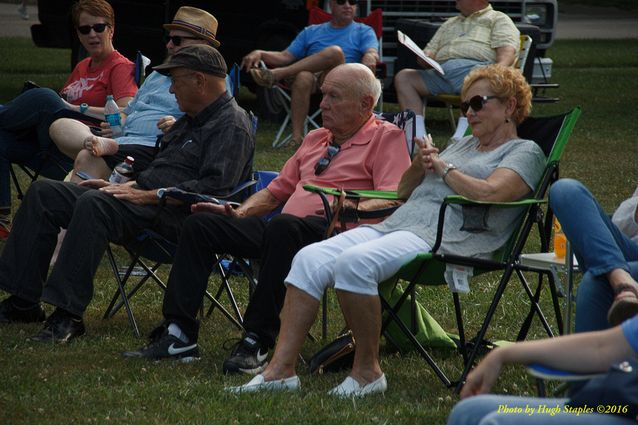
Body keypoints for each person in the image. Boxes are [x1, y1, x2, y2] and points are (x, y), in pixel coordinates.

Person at [227, 64, 546, 396]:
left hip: (448, 237)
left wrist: (444, 168)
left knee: (354, 263)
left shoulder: (525, 152)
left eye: (477, 103)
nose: (469, 112)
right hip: (401, 224)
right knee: (308, 258)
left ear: (510, 106)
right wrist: (420, 163)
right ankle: (280, 371)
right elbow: (402, 192)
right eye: (465, 105)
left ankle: (368, 373)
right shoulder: (463, 147)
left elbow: (491, 193)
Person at [122, 63, 411, 365]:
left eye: (333, 97)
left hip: (337, 234)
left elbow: (394, 196)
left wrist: (350, 206)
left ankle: (256, 339)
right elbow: (276, 192)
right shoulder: (316, 139)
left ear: (366, 103)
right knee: (200, 225)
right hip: (283, 233)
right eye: (322, 95)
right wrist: (239, 211)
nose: (322, 104)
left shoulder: (385, 138)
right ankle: (178, 334)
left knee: (284, 226)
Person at [0, 45, 255, 345]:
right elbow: (157, 163)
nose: (171, 90)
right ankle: (23, 301)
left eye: (176, 81)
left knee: (96, 204)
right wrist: (121, 172)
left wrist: (141, 195)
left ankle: (67, 314)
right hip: (142, 200)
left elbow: (212, 192)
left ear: (200, 81)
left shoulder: (231, 125)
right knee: (46, 192)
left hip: (180, 219)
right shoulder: (190, 119)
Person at [0, 0, 138, 239]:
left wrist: (76, 107)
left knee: (45, 98)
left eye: (99, 27)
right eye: (85, 29)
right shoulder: (82, 66)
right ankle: (2, 219)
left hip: (82, 149)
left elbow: (125, 113)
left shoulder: (121, 67)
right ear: (78, 34)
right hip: (50, 141)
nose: (92, 34)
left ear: (111, 29)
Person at [47, 6, 221, 183]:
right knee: (59, 126)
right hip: (121, 139)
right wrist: (118, 121)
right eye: (168, 39)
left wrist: (179, 127)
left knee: (87, 159)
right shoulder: (156, 76)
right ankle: (95, 144)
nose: (169, 45)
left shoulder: (212, 81)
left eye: (177, 40)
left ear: (203, 45)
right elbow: (128, 111)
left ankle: (80, 187)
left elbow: (215, 127)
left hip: (153, 147)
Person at [446, 315, 638, 425]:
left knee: (499, 422)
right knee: (468, 412)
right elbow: (603, 348)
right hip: (619, 406)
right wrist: (502, 355)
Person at [241, 0, 378, 147]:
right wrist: (260, 52)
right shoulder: (312, 31)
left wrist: (370, 56)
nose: (347, 5)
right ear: (331, 5)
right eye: (340, 1)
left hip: (345, 79)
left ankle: (276, 74)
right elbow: (285, 56)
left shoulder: (364, 31)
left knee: (335, 52)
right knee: (303, 77)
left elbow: (371, 52)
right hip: (315, 78)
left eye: (352, 2)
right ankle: (297, 136)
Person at [394, 0, 519, 139]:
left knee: (477, 78)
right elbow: (430, 51)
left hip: (477, 72)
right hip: (442, 73)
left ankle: (460, 139)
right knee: (404, 77)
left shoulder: (498, 18)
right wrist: (425, 57)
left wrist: (493, 74)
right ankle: (417, 138)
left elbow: (507, 53)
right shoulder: (449, 23)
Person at [549, 179, 638, 332]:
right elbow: (620, 224)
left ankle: (616, 277)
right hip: (630, 251)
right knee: (565, 190)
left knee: (596, 281)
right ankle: (619, 276)